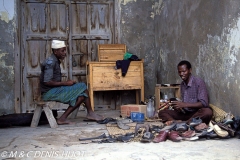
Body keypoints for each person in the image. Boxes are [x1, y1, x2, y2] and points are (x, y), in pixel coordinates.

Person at [40, 40, 104, 124]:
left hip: (54, 90)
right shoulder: (51, 62)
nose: (65, 53)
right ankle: (90, 113)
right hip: (49, 93)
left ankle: (62, 118)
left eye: (65, 50)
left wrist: (66, 83)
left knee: (82, 96)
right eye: (62, 51)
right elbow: (47, 82)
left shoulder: (54, 60)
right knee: (82, 86)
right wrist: (65, 83)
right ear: (55, 51)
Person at [158, 60, 213, 125]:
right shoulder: (182, 84)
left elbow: (204, 103)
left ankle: (185, 123)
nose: (181, 74)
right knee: (162, 112)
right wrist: (179, 108)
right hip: (185, 114)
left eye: (184, 71)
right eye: (179, 72)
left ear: (190, 70)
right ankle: (174, 122)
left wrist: (185, 104)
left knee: (207, 112)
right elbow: (184, 105)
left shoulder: (199, 82)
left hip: (196, 113)